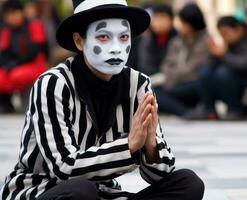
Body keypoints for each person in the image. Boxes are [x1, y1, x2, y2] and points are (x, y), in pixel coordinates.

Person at [0, 0, 204, 200]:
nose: (116, 48)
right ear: (80, 41)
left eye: (124, 37)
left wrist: (150, 146)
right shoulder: (53, 83)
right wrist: (129, 146)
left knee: (188, 183)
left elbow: (160, 175)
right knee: (80, 189)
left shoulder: (138, 83)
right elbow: (63, 168)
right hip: (44, 190)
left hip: (105, 194)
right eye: (104, 37)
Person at [187, 16, 247, 120]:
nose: (224, 37)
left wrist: (223, 55)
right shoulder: (229, 42)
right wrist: (214, 54)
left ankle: (235, 110)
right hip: (235, 78)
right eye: (221, 35)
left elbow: (245, 65)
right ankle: (209, 110)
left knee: (223, 73)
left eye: (226, 33)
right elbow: (213, 65)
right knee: (205, 73)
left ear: (238, 28)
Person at [155, 3, 209, 117]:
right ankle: (186, 111)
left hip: (191, 84)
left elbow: (192, 69)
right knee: (153, 93)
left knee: (159, 95)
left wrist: (171, 77)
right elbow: (166, 64)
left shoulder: (205, 41)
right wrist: (170, 76)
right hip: (173, 83)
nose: (181, 26)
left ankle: (183, 111)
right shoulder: (177, 41)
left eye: (184, 23)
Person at [0, 1, 47, 113]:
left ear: (22, 12)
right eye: (9, 15)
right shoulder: (7, 31)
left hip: (34, 64)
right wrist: (7, 65)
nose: (12, 17)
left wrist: (15, 64)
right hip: (15, 66)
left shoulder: (34, 25)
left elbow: (35, 50)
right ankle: (6, 104)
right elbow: (4, 53)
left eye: (15, 13)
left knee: (16, 76)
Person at [138, 4, 177, 76]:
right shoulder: (146, 39)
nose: (159, 22)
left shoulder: (178, 39)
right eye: (156, 17)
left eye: (162, 17)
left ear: (171, 20)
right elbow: (144, 65)